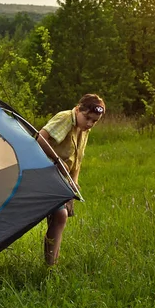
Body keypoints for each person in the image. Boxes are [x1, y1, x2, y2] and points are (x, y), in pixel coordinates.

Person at [36, 94, 105, 265]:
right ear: (79, 109)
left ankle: (51, 264)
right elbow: (40, 138)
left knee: (60, 217)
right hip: (47, 172)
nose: (89, 123)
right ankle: (51, 263)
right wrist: (57, 161)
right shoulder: (66, 118)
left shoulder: (84, 130)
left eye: (94, 121)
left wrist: (74, 182)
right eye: (87, 118)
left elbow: (77, 159)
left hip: (62, 178)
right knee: (60, 215)